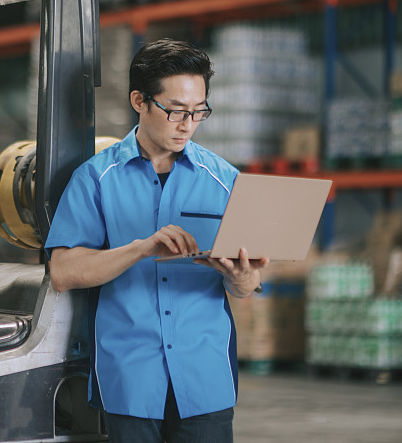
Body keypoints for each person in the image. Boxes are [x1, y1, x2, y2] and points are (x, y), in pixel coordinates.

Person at [45, 38, 268, 443]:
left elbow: (246, 285)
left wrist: (241, 278)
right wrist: (141, 248)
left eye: (199, 111)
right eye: (176, 111)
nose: (188, 124)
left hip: (204, 375)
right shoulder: (95, 179)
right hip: (129, 374)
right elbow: (63, 271)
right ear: (139, 101)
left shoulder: (226, 181)